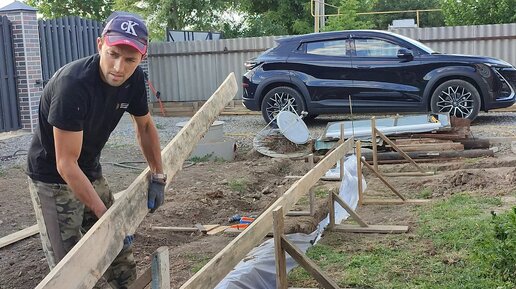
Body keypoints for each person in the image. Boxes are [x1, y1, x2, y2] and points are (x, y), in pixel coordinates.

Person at [26, 12, 165, 288]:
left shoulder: (135, 80)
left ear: (142, 57)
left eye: (130, 60)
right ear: (100, 44)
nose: (119, 67)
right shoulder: (73, 85)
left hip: (88, 167)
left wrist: (158, 174)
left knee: (117, 249)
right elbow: (65, 164)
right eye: (113, 54)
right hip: (52, 176)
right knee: (71, 266)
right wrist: (105, 215)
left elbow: (146, 127)